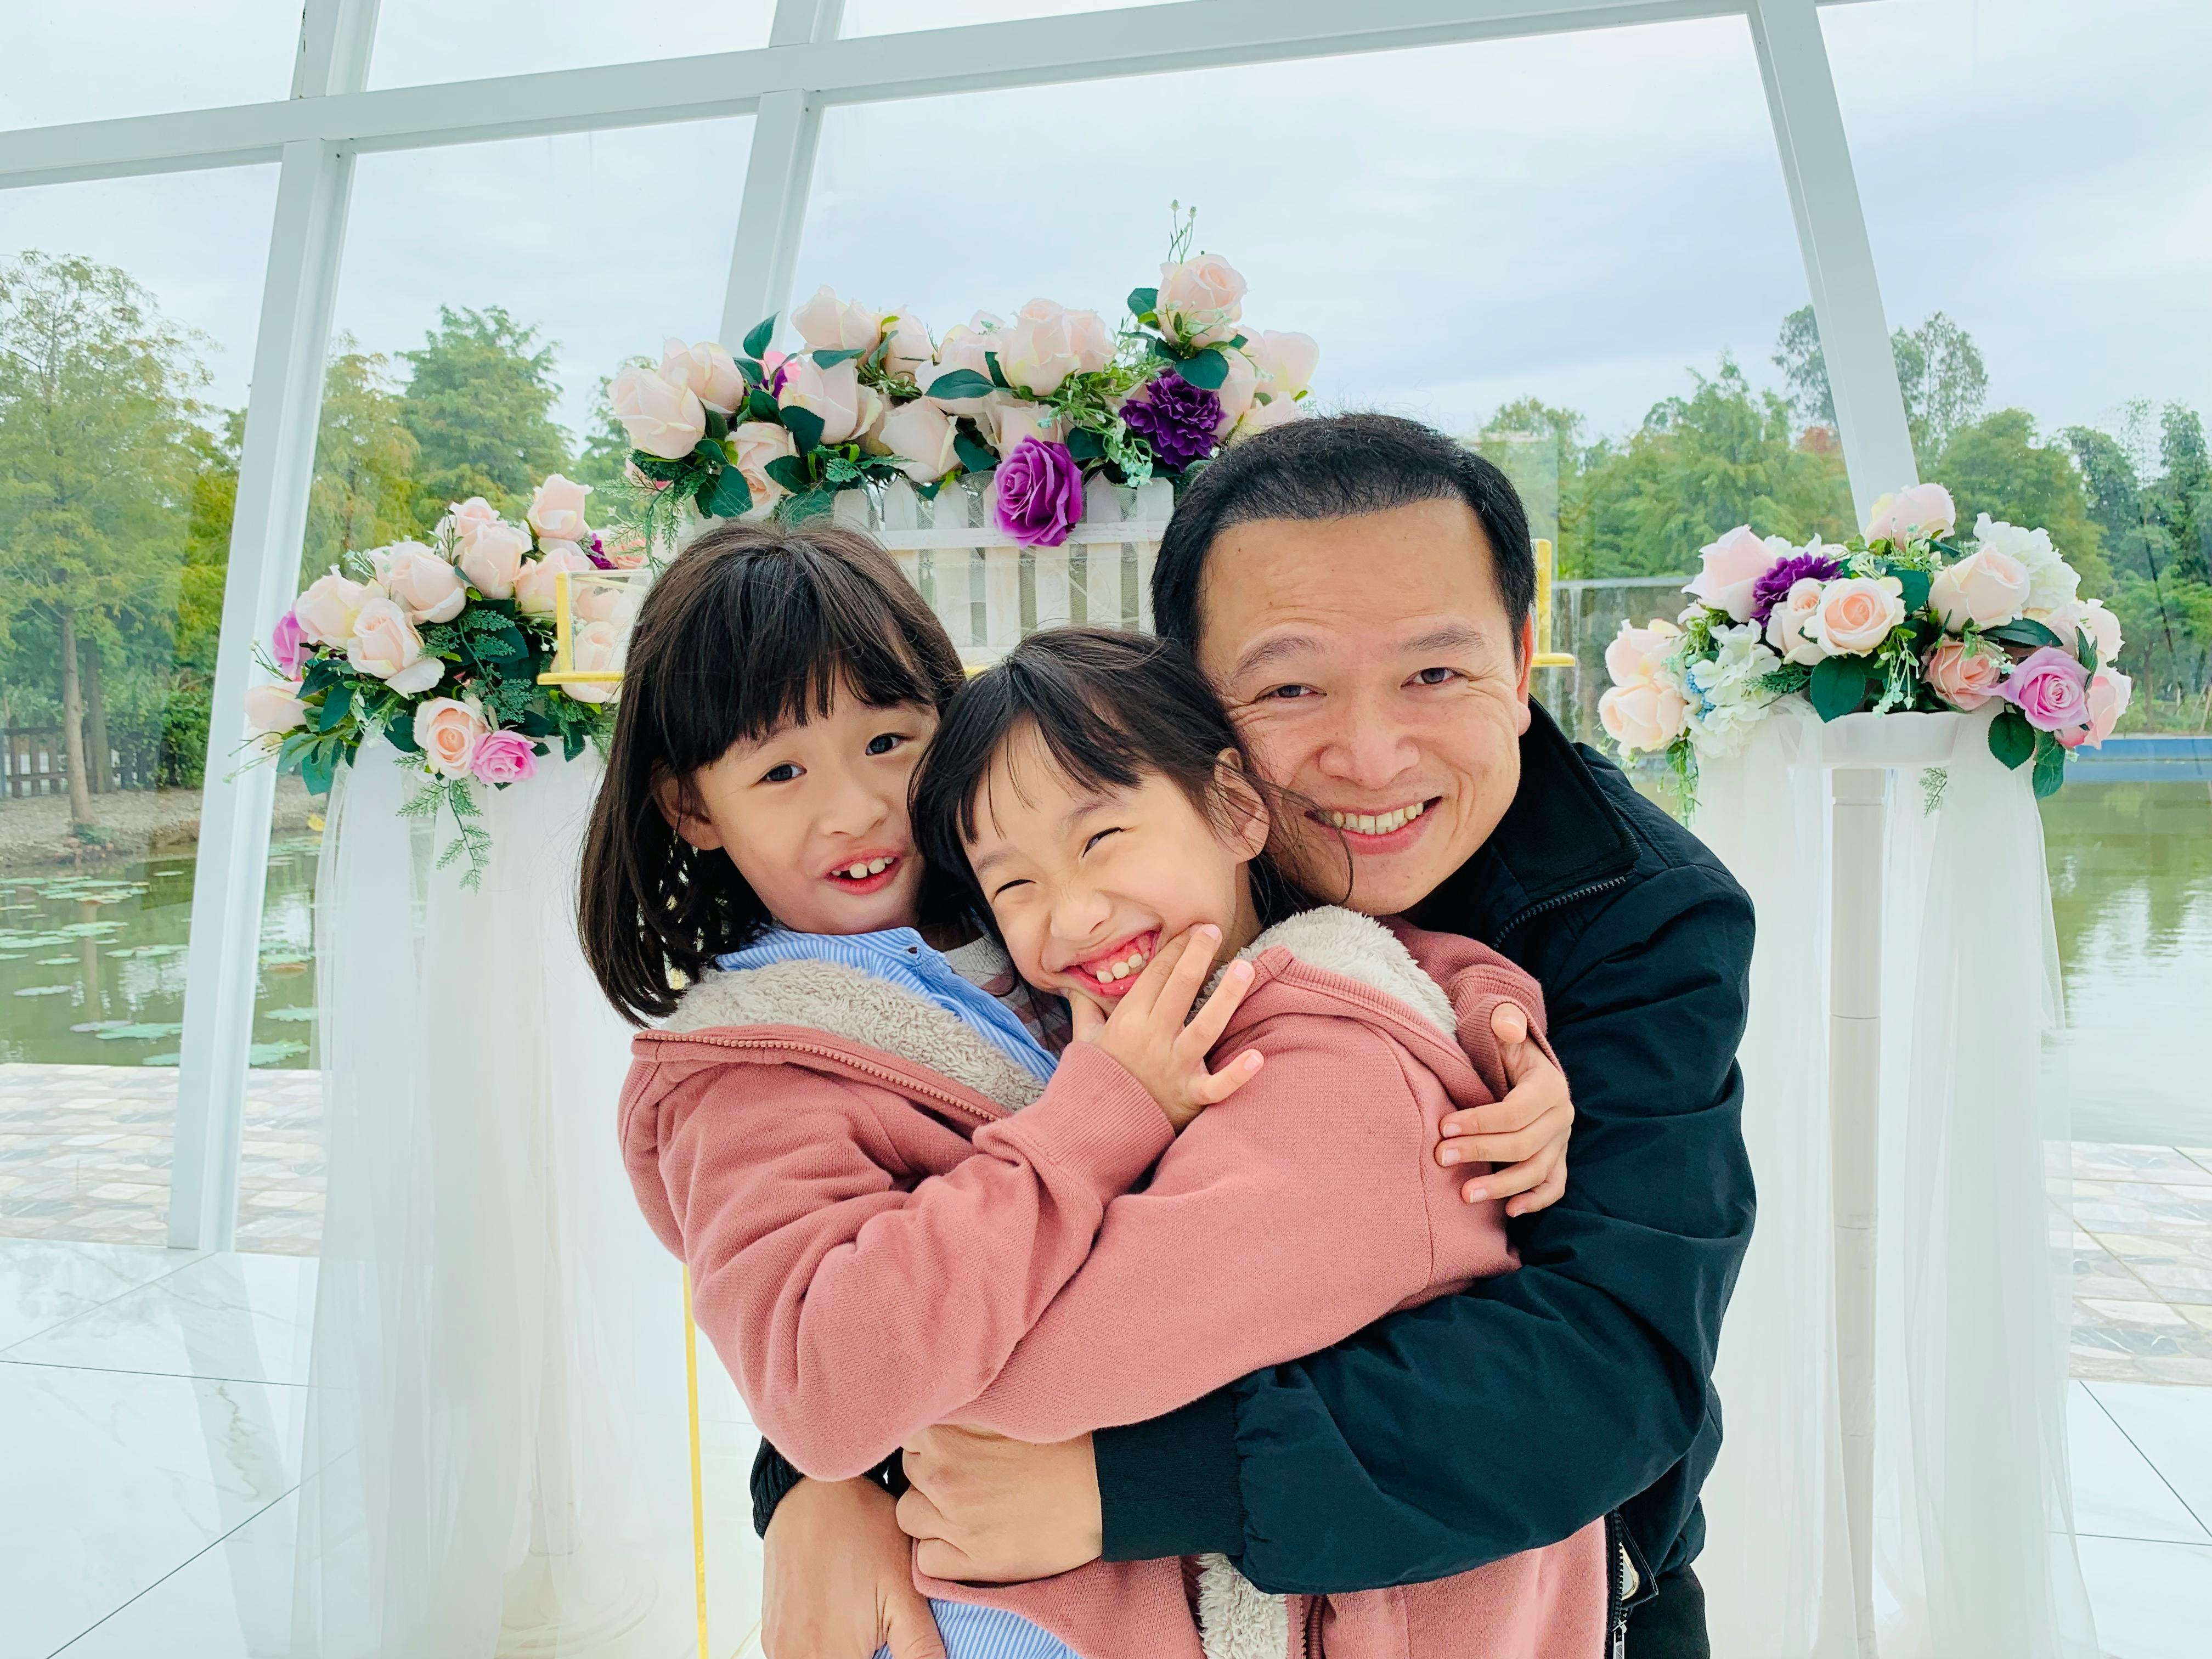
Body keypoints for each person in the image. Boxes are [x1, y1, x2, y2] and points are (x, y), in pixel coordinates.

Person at [757, 415, 1756, 1658]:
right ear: (1191, 702)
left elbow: (1610, 1368)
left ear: (1520, 651)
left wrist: (1116, 1486)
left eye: (1437, 674)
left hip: (1537, 1592)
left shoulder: (1643, 910)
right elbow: (916, 1194)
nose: (1370, 754)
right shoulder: (1086, 867)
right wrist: (817, 1484)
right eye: (1288, 687)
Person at [579, 520, 1267, 1659]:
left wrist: (1499, 1047)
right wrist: (1094, 1119)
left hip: (1170, 1555)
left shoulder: (1046, 921)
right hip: (1000, 1616)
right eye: (781, 770)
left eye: (890, 740)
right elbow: (822, 1388)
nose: (852, 808)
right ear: (694, 809)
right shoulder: (748, 1078)